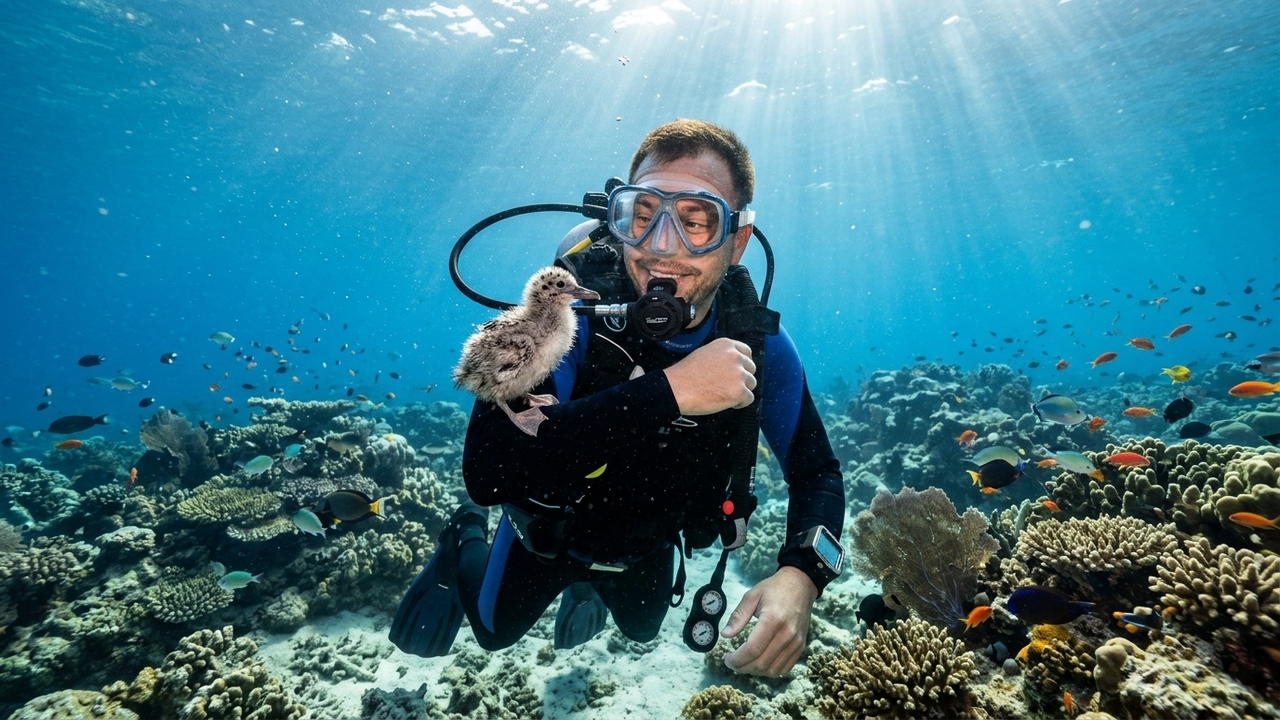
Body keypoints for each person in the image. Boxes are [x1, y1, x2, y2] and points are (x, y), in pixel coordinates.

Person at [391, 119, 845, 677]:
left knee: (641, 630)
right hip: (544, 535)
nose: (661, 247)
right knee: (490, 633)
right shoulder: (567, 319)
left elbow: (817, 472)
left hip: (645, 548)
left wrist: (803, 575)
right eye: (643, 215)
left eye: (697, 221)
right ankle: (460, 537)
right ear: (619, 220)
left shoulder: (761, 347)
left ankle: (589, 595)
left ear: (737, 241)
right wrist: (672, 392)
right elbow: (488, 473)